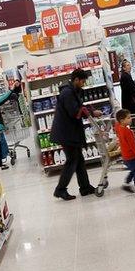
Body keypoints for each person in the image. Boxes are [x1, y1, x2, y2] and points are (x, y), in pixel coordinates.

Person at [50, 69, 101, 201]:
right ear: (76, 79)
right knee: (72, 160)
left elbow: (80, 107)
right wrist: (91, 113)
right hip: (66, 132)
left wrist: (90, 111)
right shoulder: (67, 93)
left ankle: (85, 187)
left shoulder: (73, 91)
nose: (84, 84)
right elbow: (74, 112)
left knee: (79, 160)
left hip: (70, 131)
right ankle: (60, 190)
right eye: (83, 81)